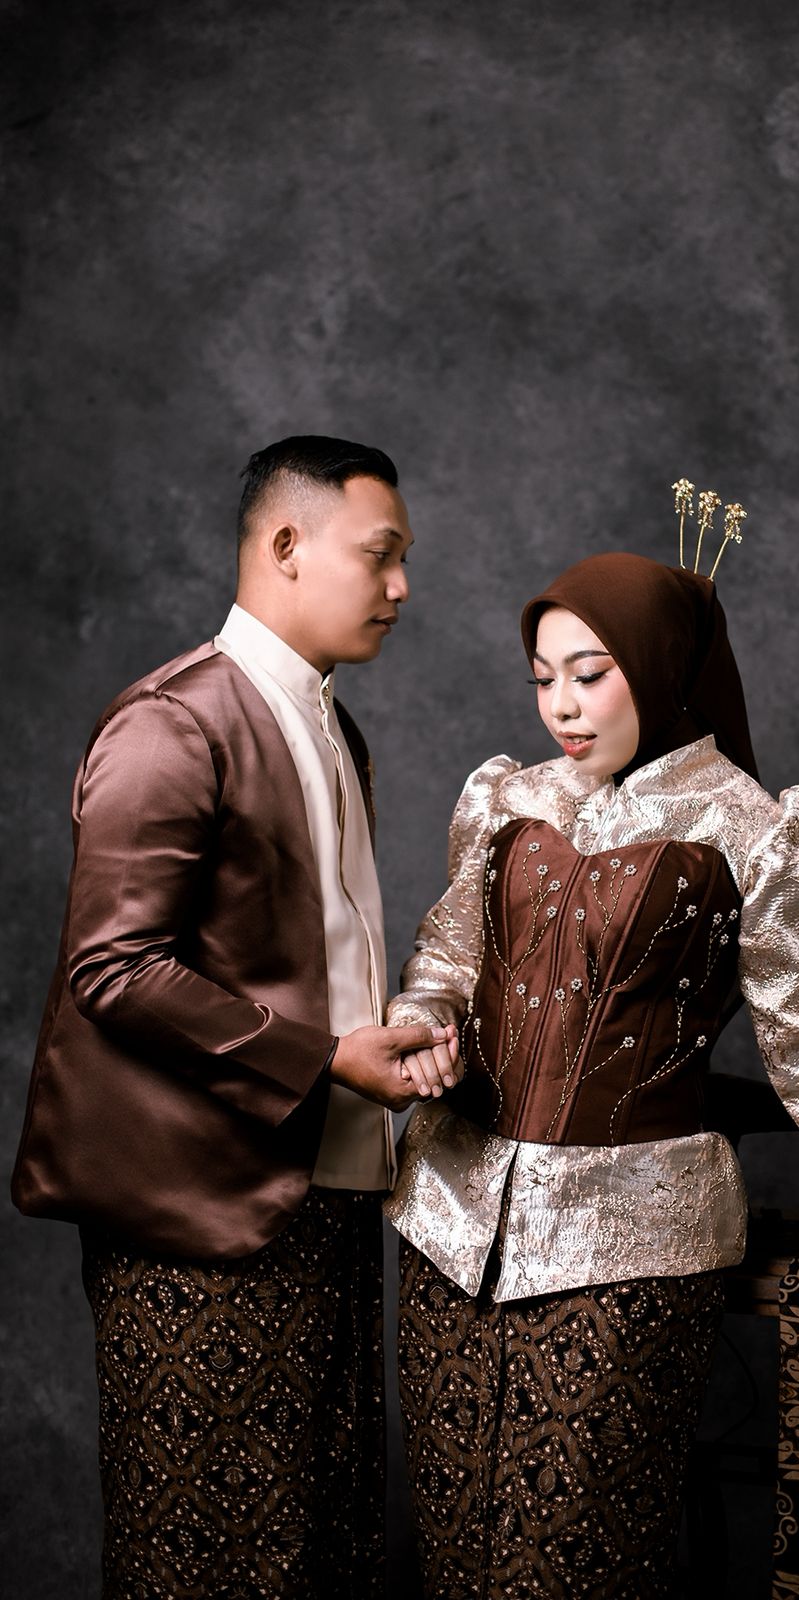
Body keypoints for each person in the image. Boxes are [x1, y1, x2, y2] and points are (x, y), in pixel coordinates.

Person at [384, 549, 799, 1600]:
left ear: (662, 664)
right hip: (448, 1224)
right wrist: (422, 1020)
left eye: (590, 673)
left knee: (579, 1558)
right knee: (455, 1547)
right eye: (543, 677)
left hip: (631, 1245)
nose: (561, 704)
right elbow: (447, 956)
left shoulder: (756, 828)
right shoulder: (506, 796)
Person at [11, 435, 459, 1600]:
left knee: (321, 1546)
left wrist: (402, 1030)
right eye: (381, 554)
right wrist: (329, 1057)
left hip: (327, 1198)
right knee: (204, 1557)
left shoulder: (333, 726)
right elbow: (113, 969)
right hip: (199, 1219)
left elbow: (316, 961)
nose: (402, 585)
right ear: (286, 544)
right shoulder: (173, 722)